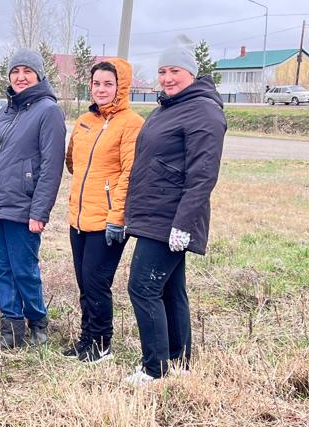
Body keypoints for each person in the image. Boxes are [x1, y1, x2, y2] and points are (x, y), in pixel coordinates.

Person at [124, 39, 226, 385]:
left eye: (175, 71)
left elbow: (203, 175)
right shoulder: (169, 107)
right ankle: (179, 361)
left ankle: (154, 368)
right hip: (155, 213)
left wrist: (183, 224)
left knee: (142, 288)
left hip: (170, 219)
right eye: (163, 71)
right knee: (170, 289)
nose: (167, 78)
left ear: (191, 74)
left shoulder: (203, 111)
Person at [0, 48, 66, 349]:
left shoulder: (48, 111)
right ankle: (11, 329)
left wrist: (40, 211)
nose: (20, 77)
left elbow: (51, 165)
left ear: (39, 75)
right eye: (15, 72)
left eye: (26, 72)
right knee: (3, 268)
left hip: (25, 206)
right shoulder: (7, 111)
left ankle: (37, 322)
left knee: (24, 269)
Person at [64, 58, 143, 363]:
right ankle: (87, 338)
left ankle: (102, 344)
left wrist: (117, 216)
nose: (101, 89)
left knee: (97, 283)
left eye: (108, 84)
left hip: (108, 221)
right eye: (96, 83)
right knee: (85, 283)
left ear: (121, 86)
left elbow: (129, 173)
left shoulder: (131, 124)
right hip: (79, 217)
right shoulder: (86, 121)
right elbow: (72, 162)